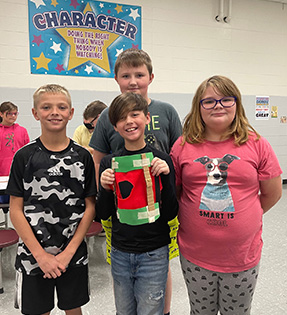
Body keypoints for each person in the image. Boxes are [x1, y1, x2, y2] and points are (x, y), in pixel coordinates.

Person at [170, 75, 282, 315]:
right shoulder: (182, 146)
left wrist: (246, 214)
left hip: (241, 256)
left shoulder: (256, 144)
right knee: (200, 312)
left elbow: (272, 193)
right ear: (198, 107)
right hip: (195, 254)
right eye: (209, 101)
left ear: (237, 104)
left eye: (225, 99)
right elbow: (178, 193)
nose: (218, 105)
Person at [89, 48, 182, 314]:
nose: (132, 81)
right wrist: (102, 187)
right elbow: (99, 159)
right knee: (125, 287)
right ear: (116, 79)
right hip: (123, 215)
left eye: (139, 74)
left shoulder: (166, 111)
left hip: (159, 214)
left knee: (160, 271)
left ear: (150, 77)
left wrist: (172, 187)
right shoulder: (109, 116)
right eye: (125, 75)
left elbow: (178, 157)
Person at [6, 84, 97, 315]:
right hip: (32, 255)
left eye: (61, 107)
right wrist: (41, 256)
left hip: (73, 253)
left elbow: (89, 207)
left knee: (73, 308)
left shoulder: (82, 156)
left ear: (71, 113)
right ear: (36, 113)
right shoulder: (24, 157)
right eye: (46, 107)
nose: (54, 112)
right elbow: (15, 210)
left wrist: (67, 253)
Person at [0, 101, 29, 203]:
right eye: (9, 113)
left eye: (15, 113)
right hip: (2, 174)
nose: (13, 116)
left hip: (18, 174)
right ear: (1, 114)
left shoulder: (22, 130)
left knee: (17, 204)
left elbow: (27, 153)